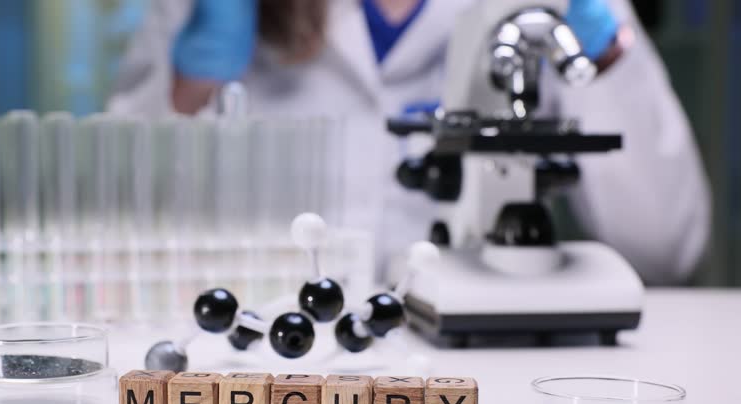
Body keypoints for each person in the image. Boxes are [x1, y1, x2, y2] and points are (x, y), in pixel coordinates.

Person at [108, 0, 711, 286]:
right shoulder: (208, 11)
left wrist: (604, 49)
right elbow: (109, 225)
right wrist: (192, 83)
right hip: (269, 352)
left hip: (490, 363)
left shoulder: (553, 10)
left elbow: (666, 251)